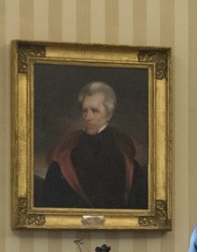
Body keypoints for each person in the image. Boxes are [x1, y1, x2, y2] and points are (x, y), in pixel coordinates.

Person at [39, 81, 147, 209]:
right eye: (84, 111)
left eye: (95, 111)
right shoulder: (65, 153)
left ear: (109, 115)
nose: (87, 117)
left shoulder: (124, 154)